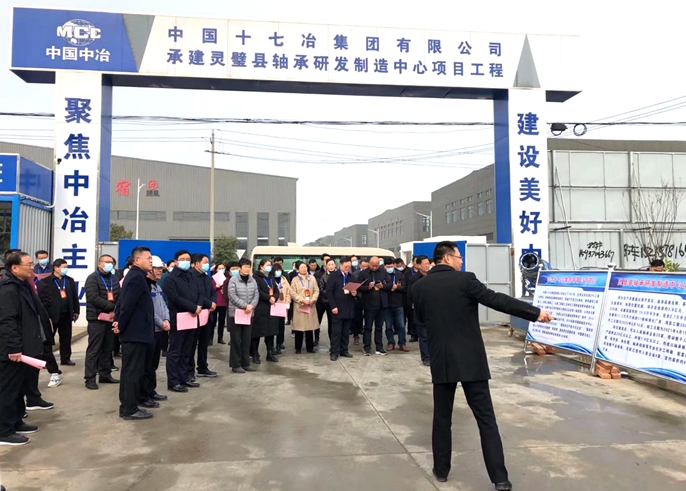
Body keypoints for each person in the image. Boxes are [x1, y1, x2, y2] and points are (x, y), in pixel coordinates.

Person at [413, 241, 552, 489]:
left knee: (442, 419)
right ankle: (500, 479)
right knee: (486, 419)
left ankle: (441, 470)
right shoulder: (466, 280)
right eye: (459, 257)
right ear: (447, 258)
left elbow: (421, 320)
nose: (461, 261)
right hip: (471, 360)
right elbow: (497, 300)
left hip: (442, 360)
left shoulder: (419, 287)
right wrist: (534, 312)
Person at [0, 252, 45, 446]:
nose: (32, 268)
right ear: (14, 268)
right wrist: (14, 348)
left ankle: (16, 421)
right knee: (7, 390)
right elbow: (7, 321)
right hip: (11, 351)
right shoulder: (8, 289)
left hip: (24, 347)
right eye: (28, 265)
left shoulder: (23, 285)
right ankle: (4, 430)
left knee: (18, 388)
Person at [114, 246, 155, 421]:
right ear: (137, 260)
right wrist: (121, 325)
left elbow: (122, 302)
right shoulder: (136, 278)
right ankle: (129, 408)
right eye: (148, 258)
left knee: (132, 371)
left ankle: (129, 405)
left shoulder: (138, 276)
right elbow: (127, 305)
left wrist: (119, 321)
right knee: (132, 372)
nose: (151, 261)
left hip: (136, 332)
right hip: (135, 333)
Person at [162, 250, 201, 393]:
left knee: (187, 350)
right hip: (178, 317)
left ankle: (184, 377)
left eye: (188, 259)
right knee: (175, 350)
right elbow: (174, 297)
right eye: (182, 259)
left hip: (192, 317)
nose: (185, 261)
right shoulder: (170, 278)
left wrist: (198, 305)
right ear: (176, 261)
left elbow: (198, 292)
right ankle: (173, 381)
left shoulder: (191, 275)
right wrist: (192, 307)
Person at [82, 254, 120, 390]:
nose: (110, 264)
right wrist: (111, 307)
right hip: (96, 319)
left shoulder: (114, 278)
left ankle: (105, 374)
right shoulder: (92, 278)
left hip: (110, 318)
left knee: (107, 348)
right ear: (99, 263)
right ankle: (90, 378)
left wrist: (116, 310)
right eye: (107, 262)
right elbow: (93, 297)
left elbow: (119, 295)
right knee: (94, 349)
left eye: (112, 262)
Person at [36, 259, 79, 366]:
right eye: (64, 267)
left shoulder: (69, 280)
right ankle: (47, 360)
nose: (66, 269)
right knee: (48, 338)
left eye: (66, 267)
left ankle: (65, 358)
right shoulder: (45, 281)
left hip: (66, 313)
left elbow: (74, 296)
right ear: (56, 268)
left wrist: (76, 311)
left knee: (66, 337)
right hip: (52, 314)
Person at [142, 256, 170, 405]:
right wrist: (161, 322)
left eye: (161, 269)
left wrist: (167, 320)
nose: (160, 271)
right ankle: (144, 394)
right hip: (151, 330)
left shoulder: (157, 287)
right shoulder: (146, 287)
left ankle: (151, 390)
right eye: (158, 268)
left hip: (160, 330)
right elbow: (149, 310)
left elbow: (163, 306)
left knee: (154, 364)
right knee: (146, 365)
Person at [225, 258, 259, 373]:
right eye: (245, 267)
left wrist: (251, 306)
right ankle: (235, 364)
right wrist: (245, 306)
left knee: (246, 340)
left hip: (249, 314)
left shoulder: (252, 280)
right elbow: (232, 295)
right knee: (236, 340)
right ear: (240, 268)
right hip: (236, 314)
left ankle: (246, 363)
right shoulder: (233, 280)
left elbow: (256, 295)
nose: (247, 269)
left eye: (249, 267)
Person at [190, 254, 217, 379]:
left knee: (204, 343)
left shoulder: (207, 278)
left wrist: (213, 302)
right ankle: (189, 370)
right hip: (195, 313)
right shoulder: (190, 276)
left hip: (207, 313)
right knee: (191, 344)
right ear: (197, 263)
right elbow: (197, 294)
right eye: (205, 262)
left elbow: (212, 292)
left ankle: (202, 367)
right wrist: (209, 303)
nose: (207, 264)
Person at [357, 257, 391, 356]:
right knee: (368, 327)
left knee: (379, 327)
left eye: (377, 265)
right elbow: (358, 287)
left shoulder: (383, 272)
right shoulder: (363, 273)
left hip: (381, 304)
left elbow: (390, 284)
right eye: (373, 265)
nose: (375, 267)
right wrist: (368, 287)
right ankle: (367, 347)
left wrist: (382, 286)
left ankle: (379, 347)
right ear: (369, 264)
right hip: (369, 304)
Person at [326, 255, 355, 361]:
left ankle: (344, 350)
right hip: (337, 308)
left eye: (349, 267)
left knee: (345, 332)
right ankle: (334, 352)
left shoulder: (351, 277)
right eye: (346, 267)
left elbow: (355, 291)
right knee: (336, 332)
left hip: (348, 307)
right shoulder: (334, 276)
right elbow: (329, 292)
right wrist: (333, 306)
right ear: (341, 265)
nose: (348, 269)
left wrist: (354, 293)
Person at [252, 259, 280, 363]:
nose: (269, 267)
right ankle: (255, 354)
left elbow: (276, 290)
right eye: (267, 265)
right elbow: (257, 291)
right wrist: (268, 298)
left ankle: (270, 353)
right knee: (257, 333)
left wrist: (275, 297)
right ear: (261, 266)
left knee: (270, 332)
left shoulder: (271, 277)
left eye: (270, 265)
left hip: (271, 308)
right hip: (260, 308)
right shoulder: (256, 277)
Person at [290, 262, 320, 354]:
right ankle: (298, 348)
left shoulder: (312, 278)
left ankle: (310, 348)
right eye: (302, 267)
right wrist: (301, 300)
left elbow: (316, 290)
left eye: (305, 267)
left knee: (309, 328)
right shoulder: (295, 280)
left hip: (310, 305)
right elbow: (292, 293)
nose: (304, 269)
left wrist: (313, 299)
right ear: (298, 269)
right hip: (300, 306)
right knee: (299, 328)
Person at [407, 255, 431, 366]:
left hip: (433, 311)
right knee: (423, 336)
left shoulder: (432, 276)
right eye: (425, 264)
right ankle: (426, 357)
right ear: (419, 265)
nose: (428, 266)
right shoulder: (414, 279)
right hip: (420, 310)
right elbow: (410, 295)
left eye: (428, 263)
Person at [386, 260, 409, 352]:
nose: (390, 268)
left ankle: (402, 343)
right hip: (387, 304)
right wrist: (389, 287)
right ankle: (390, 343)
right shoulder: (383, 275)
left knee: (401, 325)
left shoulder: (399, 275)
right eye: (388, 267)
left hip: (398, 303)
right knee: (388, 326)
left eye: (391, 266)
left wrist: (397, 287)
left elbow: (404, 287)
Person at [271, 263, 291, 354]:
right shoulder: (270, 279)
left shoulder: (284, 279)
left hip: (282, 305)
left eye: (279, 270)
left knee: (281, 326)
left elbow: (288, 292)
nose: (278, 272)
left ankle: (279, 343)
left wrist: (287, 302)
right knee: (272, 327)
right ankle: (271, 346)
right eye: (276, 270)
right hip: (273, 305)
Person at [316, 258, 336, 343]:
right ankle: (316, 337)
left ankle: (333, 342)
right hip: (326, 302)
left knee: (333, 323)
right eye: (329, 265)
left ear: (335, 265)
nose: (331, 266)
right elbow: (321, 289)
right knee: (319, 320)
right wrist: (330, 295)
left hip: (336, 303)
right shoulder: (323, 277)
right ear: (326, 266)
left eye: (332, 264)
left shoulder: (338, 276)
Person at [211, 263, 228, 344]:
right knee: (213, 321)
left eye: (222, 268)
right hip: (215, 302)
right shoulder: (213, 278)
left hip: (223, 302)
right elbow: (210, 289)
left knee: (221, 321)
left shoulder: (226, 278)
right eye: (219, 268)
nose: (221, 270)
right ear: (216, 269)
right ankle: (210, 338)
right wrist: (216, 287)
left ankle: (220, 338)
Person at [404, 256, 419, 342]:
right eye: (415, 261)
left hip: (420, 297)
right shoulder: (408, 272)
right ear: (413, 262)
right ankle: (413, 334)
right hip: (411, 296)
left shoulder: (424, 273)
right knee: (412, 317)